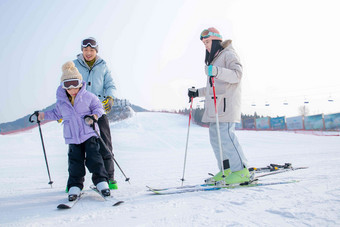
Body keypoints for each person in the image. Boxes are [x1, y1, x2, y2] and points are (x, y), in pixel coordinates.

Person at [38, 61, 110, 201]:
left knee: (94, 158)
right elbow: (56, 113)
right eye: (67, 85)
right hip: (72, 137)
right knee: (74, 162)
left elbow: (99, 108)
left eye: (75, 84)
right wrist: (42, 115)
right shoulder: (62, 102)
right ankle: (75, 185)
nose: (72, 89)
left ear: (80, 83)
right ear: (63, 86)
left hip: (89, 134)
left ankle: (101, 182)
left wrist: (94, 116)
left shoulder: (88, 97)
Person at [188, 27, 250, 185]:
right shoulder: (215, 59)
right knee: (216, 139)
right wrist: (197, 93)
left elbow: (237, 75)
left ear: (216, 41)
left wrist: (217, 71)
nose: (206, 46)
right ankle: (226, 171)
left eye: (208, 42)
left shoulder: (228, 54)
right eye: (204, 43)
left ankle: (241, 171)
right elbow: (212, 87)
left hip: (227, 105)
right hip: (216, 108)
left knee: (226, 137)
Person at [73, 37, 117, 190]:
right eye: (86, 50)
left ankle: (109, 178)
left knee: (104, 143)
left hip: (99, 109)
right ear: (82, 51)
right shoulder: (74, 66)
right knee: (78, 147)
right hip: (80, 112)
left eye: (91, 50)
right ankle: (75, 182)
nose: (88, 53)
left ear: (96, 51)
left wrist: (110, 97)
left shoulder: (102, 66)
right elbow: (67, 86)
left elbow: (110, 84)